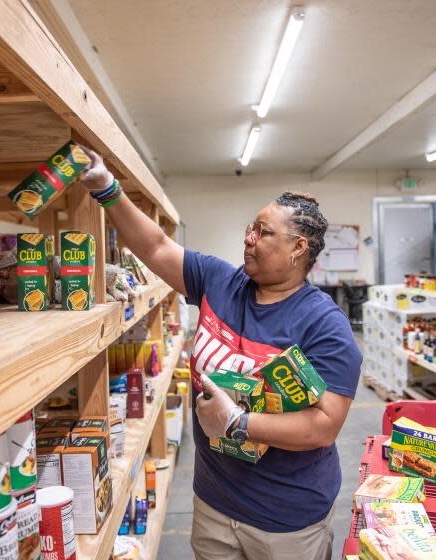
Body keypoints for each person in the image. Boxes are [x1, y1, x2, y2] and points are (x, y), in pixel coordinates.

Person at [78, 148, 362, 560]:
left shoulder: (325, 326)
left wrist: (237, 422)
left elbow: (323, 426)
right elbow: (156, 247)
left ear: (299, 247)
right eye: (252, 227)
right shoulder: (220, 282)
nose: (249, 238)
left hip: (286, 518)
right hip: (214, 502)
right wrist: (107, 190)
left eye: (264, 233)